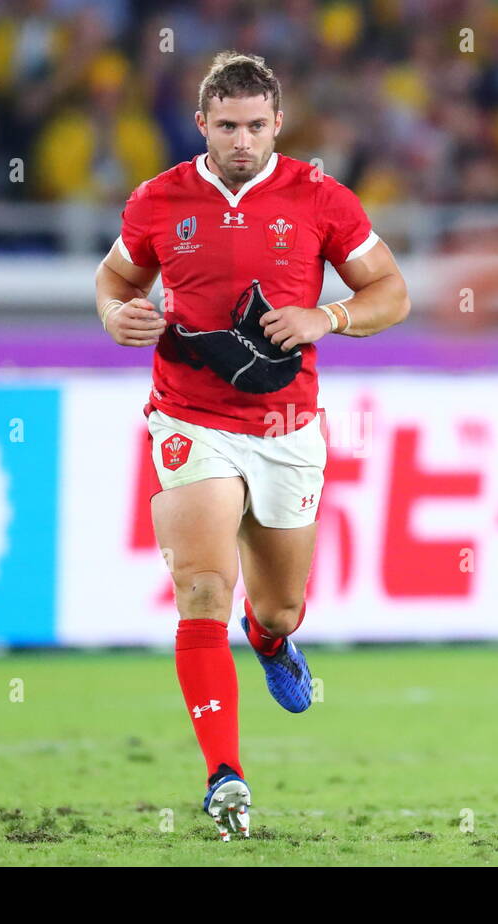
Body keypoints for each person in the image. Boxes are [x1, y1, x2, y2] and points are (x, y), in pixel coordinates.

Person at [94, 51, 410, 840]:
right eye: (227, 125)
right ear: (202, 125)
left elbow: (392, 293)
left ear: (279, 124)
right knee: (202, 588)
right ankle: (224, 777)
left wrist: (325, 317)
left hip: (285, 426)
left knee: (278, 603)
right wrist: (115, 316)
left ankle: (270, 641)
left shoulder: (320, 197)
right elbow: (114, 283)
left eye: (256, 126)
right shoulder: (158, 200)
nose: (242, 140)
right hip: (188, 415)